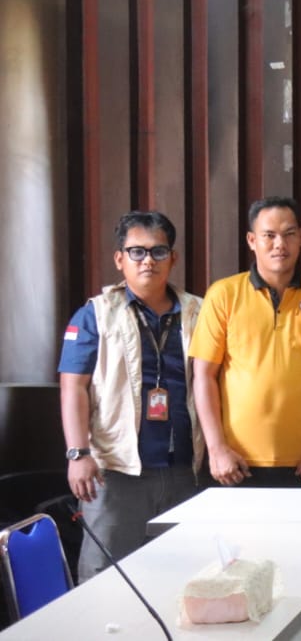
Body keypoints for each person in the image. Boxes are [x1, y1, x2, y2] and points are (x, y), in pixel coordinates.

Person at [59, 211, 203, 580]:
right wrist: (78, 453)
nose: (147, 261)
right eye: (136, 251)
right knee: (105, 577)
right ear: (119, 259)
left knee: (181, 576)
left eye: (158, 251)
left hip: (184, 469)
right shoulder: (95, 314)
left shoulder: (199, 312)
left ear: (173, 258)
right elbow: (73, 386)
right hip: (116, 470)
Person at [190, 196, 301, 488]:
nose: (280, 244)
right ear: (252, 240)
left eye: (289, 234)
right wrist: (216, 448)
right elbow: (204, 376)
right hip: (235, 464)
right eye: (269, 235)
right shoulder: (223, 295)